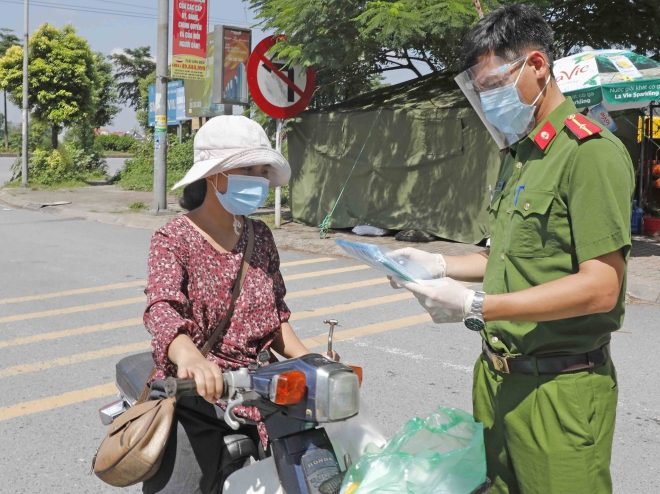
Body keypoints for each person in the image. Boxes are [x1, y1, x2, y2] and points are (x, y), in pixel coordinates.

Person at [389, 5, 634, 494]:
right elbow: (505, 256)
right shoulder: (520, 155)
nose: (489, 98)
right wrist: (438, 264)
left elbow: (601, 287)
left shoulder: (589, 154)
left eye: (495, 85)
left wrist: (477, 305)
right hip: (496, 379)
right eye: (481, 90)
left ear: (537, 65)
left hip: (559, 392)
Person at [141, 116, 320, 493]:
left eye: (261, 171)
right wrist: (190, 358)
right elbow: (161, 308)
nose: (257, 179)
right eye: (246, 169)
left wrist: (313, 364)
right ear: (213, 174)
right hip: (196, 393)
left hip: (262, 392)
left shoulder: (261, 235)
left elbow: (276, 319)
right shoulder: (173, 238)